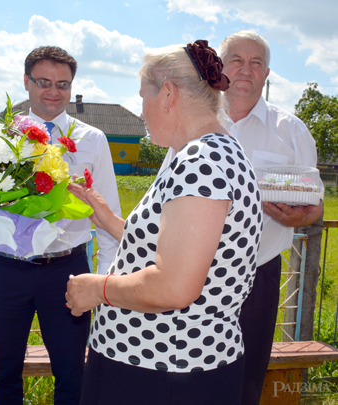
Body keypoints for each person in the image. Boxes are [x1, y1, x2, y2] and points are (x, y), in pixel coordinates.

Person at [65, 40, 262, 404]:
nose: (141, 113)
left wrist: (98, 288)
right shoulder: (207, 152)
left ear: (168, 94)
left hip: (163, 372)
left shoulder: (201, 162)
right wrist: (108, 220)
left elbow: (174, 285)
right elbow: (180, 248)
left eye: (144, 97)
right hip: (173, 365)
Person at [0, 46, 121, 405]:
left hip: (68, 270)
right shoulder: (0, 135)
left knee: (72, 370)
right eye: (43, 82)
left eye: (63, 84)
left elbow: (107, 212)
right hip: (7, 269)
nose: (53, 91)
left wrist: (105, 278)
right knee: (4, 369)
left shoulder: (92, 139)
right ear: (26, 82)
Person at [217, 31, 323, 404]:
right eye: (236, 60)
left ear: (266, 74)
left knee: (246, 377)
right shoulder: (193, 121)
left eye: (256, 63)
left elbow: (315, 203)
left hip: (257, 273)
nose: (246, 70)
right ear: (220, 66)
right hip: (189, 269)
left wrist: (299, 218)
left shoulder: (290, 130)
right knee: (186, 371)